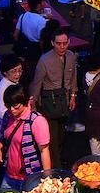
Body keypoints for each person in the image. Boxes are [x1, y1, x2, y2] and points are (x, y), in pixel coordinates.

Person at [30, 30, 77, 167]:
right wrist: (33, 108)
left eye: (64, 43)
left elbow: (73, 78)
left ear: (68, 42)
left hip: (65, 101)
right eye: (58, 44)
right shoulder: (44, 60)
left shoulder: (71, 56)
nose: (62, 47)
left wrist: (73, 95)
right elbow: (37, 83)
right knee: (52, 138)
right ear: (52, 43)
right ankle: (56, 168)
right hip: (50, 103)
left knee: (62, 134)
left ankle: (59, 160)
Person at [0, 85, 51, 190]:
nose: (11, 109)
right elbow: (4, 137)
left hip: (30, 178)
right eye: (8, 105)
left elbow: (44, 151)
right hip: (9, 175)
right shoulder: (8, 115)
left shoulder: (36, 121)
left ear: (25, 101)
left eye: (15, 106)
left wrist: (47, 179)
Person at [14, 0, 48, 73]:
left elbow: (15, 35)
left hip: (24, 52)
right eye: (42, 1)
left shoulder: (23, 16)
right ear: (39, 5)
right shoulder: (41, 21)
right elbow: (42, 41)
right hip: (36, 54)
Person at [0, 55, 23, 137]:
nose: (18, 74)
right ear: (5, 72)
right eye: (14, 71)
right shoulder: (2, 89)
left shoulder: (14, 83)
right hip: (9, 129)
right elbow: (2, 114)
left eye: (20, 70)